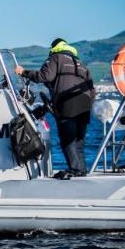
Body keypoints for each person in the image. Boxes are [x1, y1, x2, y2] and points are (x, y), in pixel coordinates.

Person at [16, 38, 94, 177]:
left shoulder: (55, 57)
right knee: (78, 141)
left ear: (54, 47)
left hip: (68, 104)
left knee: (67, 139)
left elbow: (44, 76)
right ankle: (81, 170)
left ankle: (75, 170)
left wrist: (24, 72)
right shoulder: (81, 64)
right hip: (85, 105)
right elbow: (92, 89)